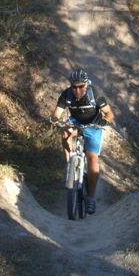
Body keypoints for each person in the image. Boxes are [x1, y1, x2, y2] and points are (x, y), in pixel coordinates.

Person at [51, 69, 114, 214]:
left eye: (80, 86)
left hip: (93, 125)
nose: (77, 90)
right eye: (74, 87)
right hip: (76, 123)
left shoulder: (95, 95)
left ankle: (91, 197)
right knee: (65, 132)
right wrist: (54, 119)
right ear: (71, 86)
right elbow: (57, 112)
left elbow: (109, 113)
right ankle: (68, 163)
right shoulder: (66, 94)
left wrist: (104, 122)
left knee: (92, 160)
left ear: (86, 85)